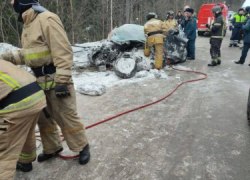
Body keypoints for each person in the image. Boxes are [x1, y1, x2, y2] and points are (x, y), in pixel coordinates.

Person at [1, 0, 90, 170]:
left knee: (65, 115)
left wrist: (62, 81)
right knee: (44, 119)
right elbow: (31, 54)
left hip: (56, 78)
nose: (12, 5)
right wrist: (6, 57)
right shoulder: (28, 24)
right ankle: (52, 148)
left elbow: (62, 49)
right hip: (39, 79)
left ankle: (82, 147)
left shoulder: (47, 18)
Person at [0, 60, 46, 179]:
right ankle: (26, 162)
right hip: (37, 97)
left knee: (4, 150)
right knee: (25, 131)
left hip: (16, 104)